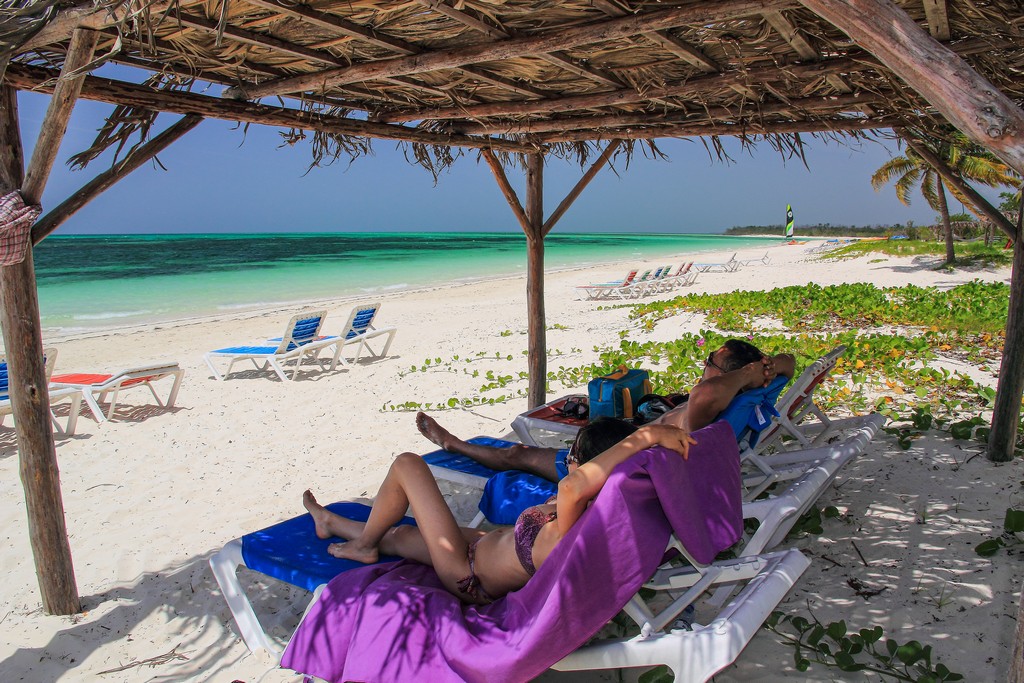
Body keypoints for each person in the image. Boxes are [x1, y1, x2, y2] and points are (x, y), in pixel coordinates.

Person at [302, 420, 693, 605]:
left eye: (571, 456)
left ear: (583, 468)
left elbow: (572, 485)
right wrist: (650, 436)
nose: (567, 462)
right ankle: (331, 522)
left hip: (467, 575)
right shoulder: (610, 507)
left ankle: (363, 545)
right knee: (400, 537)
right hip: (484, 547)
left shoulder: (574, 516)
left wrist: (650, 435)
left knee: (407, 464)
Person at [415, 339, 795, 483]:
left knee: (519, 454)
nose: (704, 366)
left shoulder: (706, 408)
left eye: (710, 361)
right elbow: (790, 361)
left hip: (616, 462)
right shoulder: (748, 398)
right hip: (639, 450)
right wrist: (765, 369)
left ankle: (454, 445)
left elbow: (708, 391)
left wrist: (745, 372)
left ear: (726, 376)